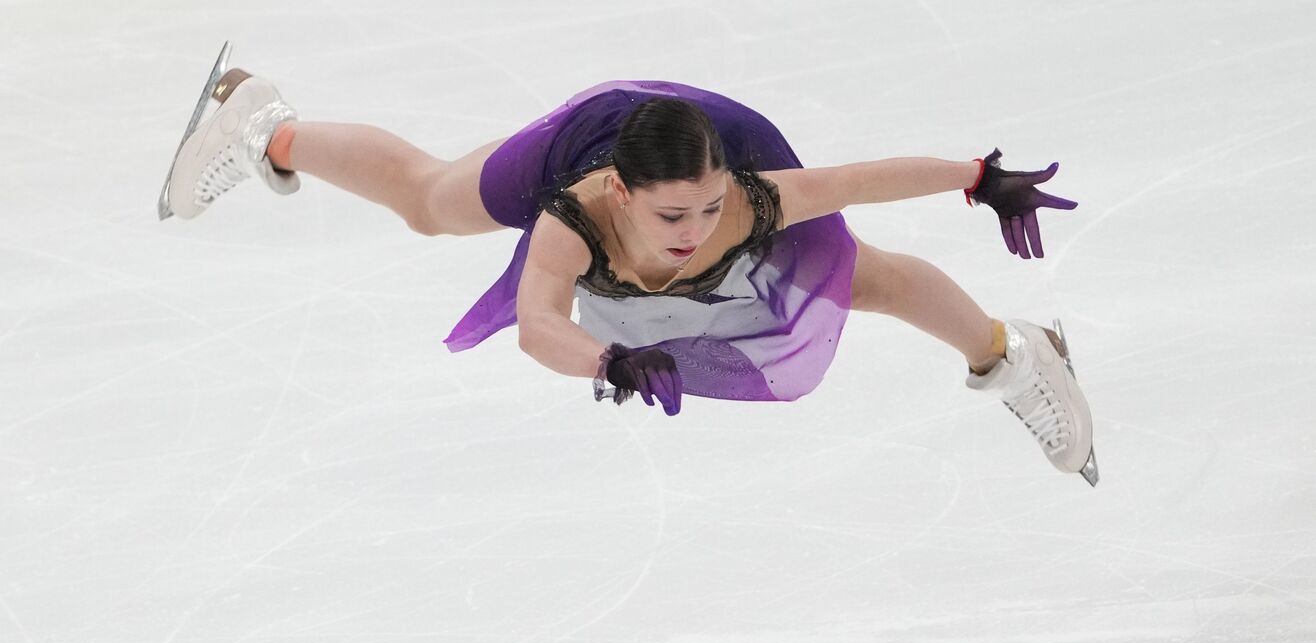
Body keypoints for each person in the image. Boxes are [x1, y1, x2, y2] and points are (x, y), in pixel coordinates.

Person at [159, 43, 1098, 486]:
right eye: (671, 218)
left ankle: (1018, 355)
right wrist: (604, 360)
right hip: (592, 135)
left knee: (867, 277)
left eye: (706, 209)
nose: (695, 232)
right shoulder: (573, 219)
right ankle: (259, 123)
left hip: (708, 139)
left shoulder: (748, 198)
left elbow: (865, 177)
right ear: (621, 199)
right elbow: (537, 324)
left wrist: (979, 178)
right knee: (428, 203)